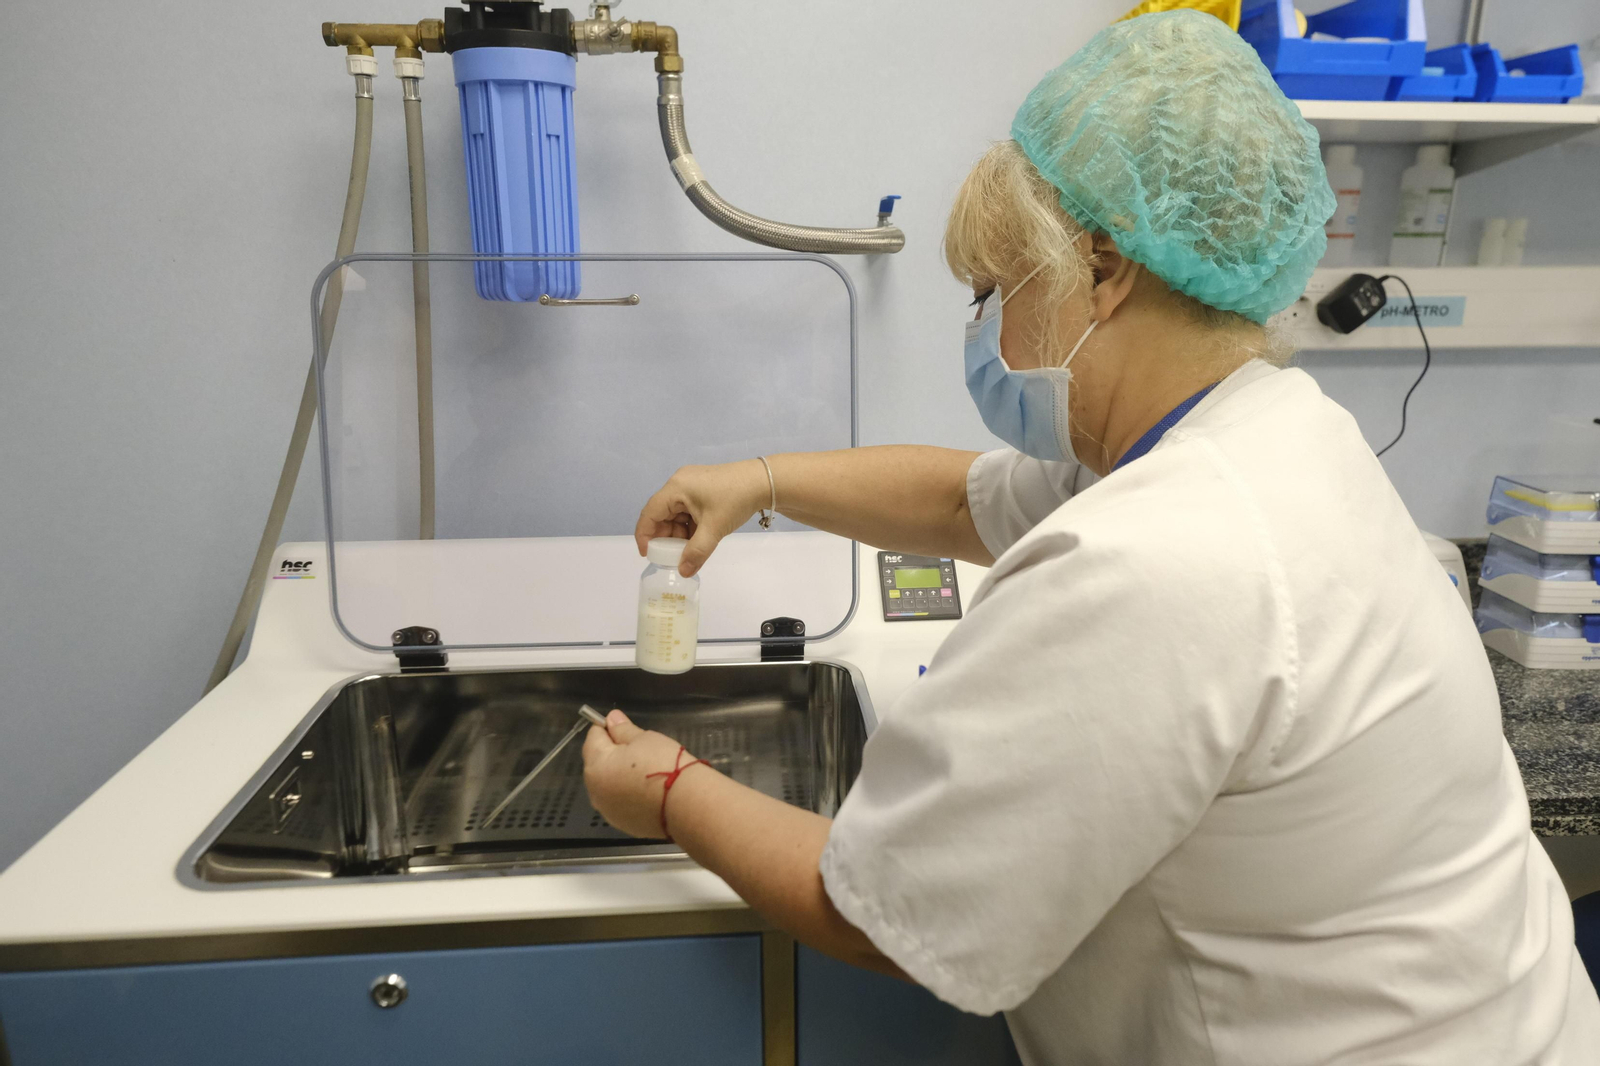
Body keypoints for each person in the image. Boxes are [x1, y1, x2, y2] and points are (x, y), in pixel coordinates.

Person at [582, 11, 1600, 1063]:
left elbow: (882, 911)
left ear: (1104, 272)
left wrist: (665, 790)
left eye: (990, 295)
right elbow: (957, 504)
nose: (981, 337)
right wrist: (755, 482)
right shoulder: (1262, 432)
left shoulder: (1152, 562)